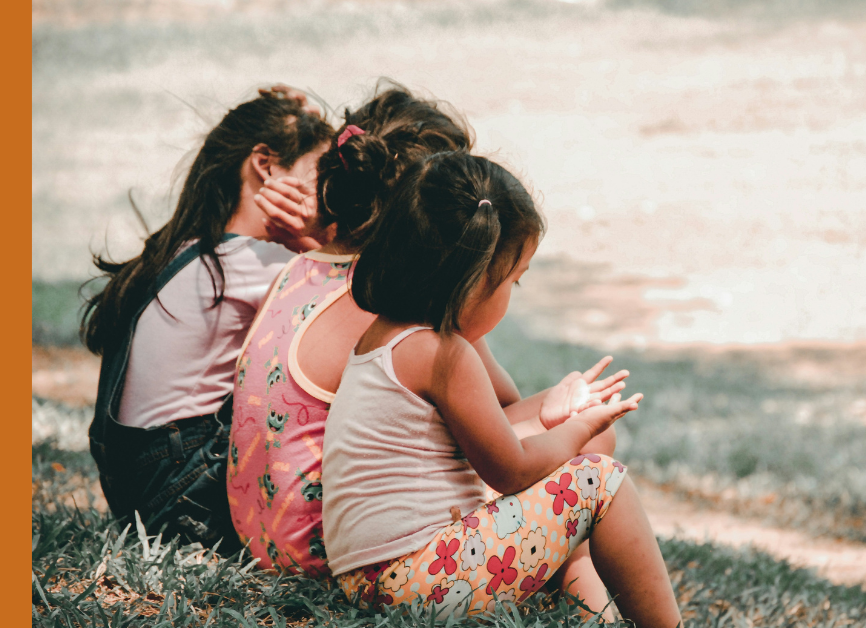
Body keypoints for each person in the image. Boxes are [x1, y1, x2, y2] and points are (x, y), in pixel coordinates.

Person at [229, 83, 628, 607]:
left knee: (570, 442)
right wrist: (571, 425)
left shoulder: (301, 267)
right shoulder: (396, 305)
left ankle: (585, 605)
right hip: (332, 551)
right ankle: (588, 606)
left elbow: (491, 411)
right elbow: (499, 434)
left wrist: (556, 410)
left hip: (264, 535)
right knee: (589, 449)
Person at [321, 151, 682, 625]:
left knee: (585, 458)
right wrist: (580, 429)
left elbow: (481, 438)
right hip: (418, 579)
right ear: (473, 279)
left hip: (374, 579)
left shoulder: (386, 338)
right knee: (599, 480)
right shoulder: (443, 354)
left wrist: (554, 415)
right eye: (514, 279)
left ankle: (597, 617)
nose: (513, 292)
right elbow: (510, 471)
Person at [82, 86, 335, 550]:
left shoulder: (185, 250)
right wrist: (314, 242)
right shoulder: (254, 262)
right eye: (318, 174)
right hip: (184, 503)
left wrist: (299, 120)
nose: (324, 195)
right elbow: (361, 310)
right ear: (266, 165)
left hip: (140, 494)